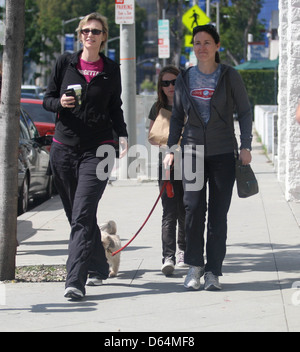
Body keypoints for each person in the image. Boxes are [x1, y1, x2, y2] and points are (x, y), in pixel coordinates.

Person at [43, 13, 128, 300]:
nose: (90, 35)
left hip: (99, 149)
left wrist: (123, 135)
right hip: (63, 148)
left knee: (81, 214)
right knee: (77, 215)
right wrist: (61, 103)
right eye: (85, 31)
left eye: (96, 31)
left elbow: (115, 106)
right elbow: (47, 98)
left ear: (104, 36)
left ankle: (74, 281)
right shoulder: (64, 63)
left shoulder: (111, 69)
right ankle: (99, 265)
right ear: (80, 35)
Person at [164, 24, 253, 291]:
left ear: (216, 46)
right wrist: (171, 148)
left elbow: (245, 111)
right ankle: (194, 266)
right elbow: (178, 116)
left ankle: (213, 270)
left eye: (207, 42)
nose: (201, 47)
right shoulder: (185, 78)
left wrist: (246, 146)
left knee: (218, 213)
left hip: (224, 151)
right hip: (192, 151)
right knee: (192, 210)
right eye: (197, 43)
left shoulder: (229, 76)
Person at [148, 65, 186, 276]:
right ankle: (168, 256)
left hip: (192, 163)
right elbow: (153, 138)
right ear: (160, 86)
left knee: (187, 211)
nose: (170, 86)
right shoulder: (157, 107)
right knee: (169, 212)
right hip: (167, 166)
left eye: (174, 82)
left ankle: (183, 251)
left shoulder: (189, 105)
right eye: (166, 83)